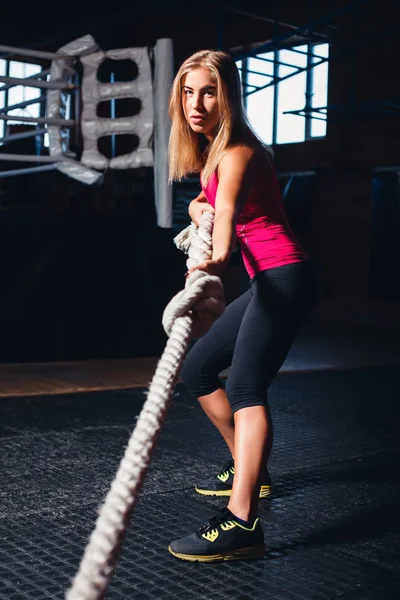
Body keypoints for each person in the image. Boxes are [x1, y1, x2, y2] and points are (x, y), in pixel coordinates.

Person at [167, 49, 318, 562]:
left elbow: (227, 230)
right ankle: (248, 463)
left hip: (283, 277)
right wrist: (195, 206)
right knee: (198, 369)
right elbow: (213, 201)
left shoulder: (235, 151)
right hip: (268, 280)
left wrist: (203, 269)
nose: (197, 103)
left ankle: (242, 520)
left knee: (245, 386)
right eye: (188, 91)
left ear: (227, 95)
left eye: (209, 91)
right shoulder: (217, 152)